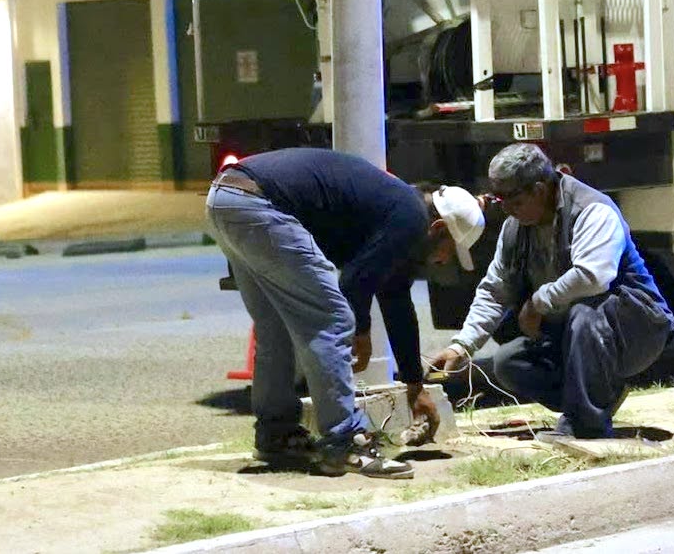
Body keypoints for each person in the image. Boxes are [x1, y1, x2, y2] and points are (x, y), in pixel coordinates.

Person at [205, 147, 485, 478]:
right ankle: (344, 441)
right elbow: (353, 283)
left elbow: (396, 300)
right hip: (262, 204)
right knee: (334, 320)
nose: (442, 262)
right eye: (448, 251)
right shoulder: (409, 218)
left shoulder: (395, 210)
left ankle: (276, 433)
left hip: (226, 198)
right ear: (438, 229)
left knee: (276, 328)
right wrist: (361, 332)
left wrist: (414, 385)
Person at [430, 143, 674, 439]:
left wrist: (537, 302)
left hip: (636, 329)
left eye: (515, 200)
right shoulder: (514, 228)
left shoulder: (591, 209)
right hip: (576, 334)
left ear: (540, 189)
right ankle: (596, 398)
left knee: (585, 313)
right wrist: (462, 346)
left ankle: (587, 424)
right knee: (509, 362)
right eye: (500, 200)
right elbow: (495, 290)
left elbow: (593, 276)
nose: (506, 210)